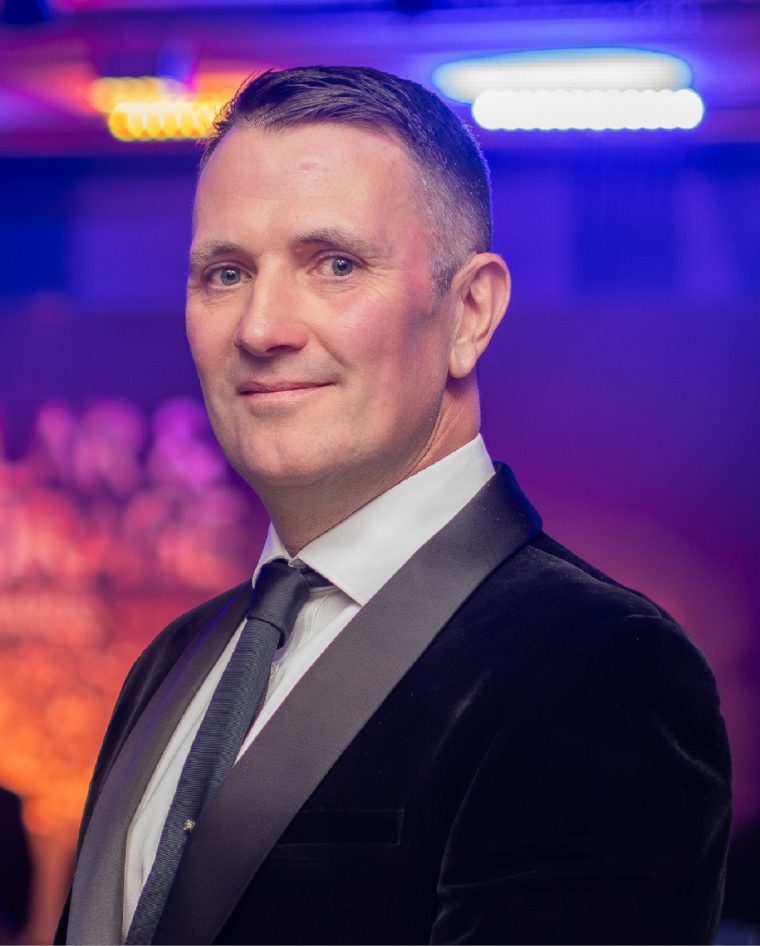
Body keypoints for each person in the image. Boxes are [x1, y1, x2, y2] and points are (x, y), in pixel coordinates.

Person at [57, 65, 731, 945]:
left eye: (334, 265)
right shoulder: (176, 660)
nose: (260, 328)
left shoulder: (597, 664)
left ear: (471, 312)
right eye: (225, 273)